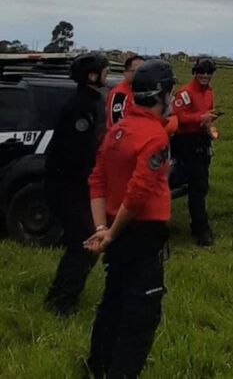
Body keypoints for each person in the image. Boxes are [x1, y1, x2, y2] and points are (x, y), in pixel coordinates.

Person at [84, 58, 175, 378]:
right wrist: (111, 232)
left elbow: (96, 180)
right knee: (140, 316)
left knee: (112, 303)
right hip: (140, 234)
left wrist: (101, 228)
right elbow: (138, 194)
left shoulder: (118, 130)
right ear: (162, 94)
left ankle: (96, 366)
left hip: (115, 229)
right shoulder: (155, 136)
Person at [43, 51, 109, 316]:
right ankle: (61, 303)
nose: (107, 74)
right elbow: (78, 154)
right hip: (68, 187)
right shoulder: (80, 107)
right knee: (85, 245)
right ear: (92, 76)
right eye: (104, 70)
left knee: (83, 245)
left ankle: (59, 296)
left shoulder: (90, 102)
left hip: (76, 186)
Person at [170, 56, 218, 245]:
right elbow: (178, 116)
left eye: (209, 72)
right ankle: (201, 228)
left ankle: (198, 224)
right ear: (195, 72)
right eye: (201, 72)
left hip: (202, 140)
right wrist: (201, 117)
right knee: (197, 187)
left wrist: (210, 122)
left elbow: (208, 113)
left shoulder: (209, 92)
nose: (205, 76)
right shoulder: (185, 92)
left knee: (202, 185)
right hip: (186, 142)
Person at [105, 54, 144, 132]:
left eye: (143, 70)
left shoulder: (140, 91)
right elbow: (116, 123)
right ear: (125, 72)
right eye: (136, 71)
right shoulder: (119, 94)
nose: (141, 74)